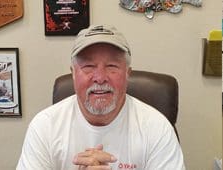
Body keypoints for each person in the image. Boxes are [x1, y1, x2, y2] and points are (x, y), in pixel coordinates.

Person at [17, 25, 185, 170]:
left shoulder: (157, 128)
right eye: (88, 66)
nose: (100, 77)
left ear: (128, 74)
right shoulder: (45, 126)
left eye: (112, 66)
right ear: (73, 74)